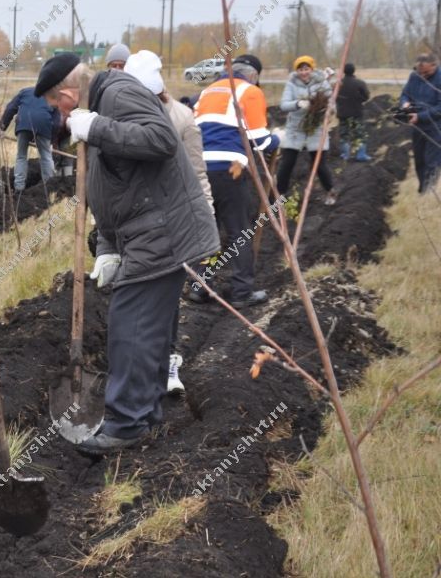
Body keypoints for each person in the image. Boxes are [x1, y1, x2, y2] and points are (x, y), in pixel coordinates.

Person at [43, 58, 218, 456]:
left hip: (164, 233)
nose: (62, 116)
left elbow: (160, 140)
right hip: (146, 233)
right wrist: (106, 249)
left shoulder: (118, 93)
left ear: (68, 95)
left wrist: (96, 128)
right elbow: (113, 194)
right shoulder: (102, 106)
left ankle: (125, 424)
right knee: (148, 329)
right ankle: (146, 412)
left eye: (58, 107)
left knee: (131, 326)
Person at [124, 49, 213, 395]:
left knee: (168, 297)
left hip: (174, 223)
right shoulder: (123, 117)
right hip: (135, 223)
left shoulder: (181, 118)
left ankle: (169, 363)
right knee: (136, 296)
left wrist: (206, 219)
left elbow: (198, 172)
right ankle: (139, 366)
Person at [190, 54, 280, 309]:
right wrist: (277, 139)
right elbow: (260, 142)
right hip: (230, 170)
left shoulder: (207, 92)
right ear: (253, 76)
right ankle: (242, 291)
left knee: (208, 230)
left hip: (198, 169)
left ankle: (199, 286)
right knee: (239, 230)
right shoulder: (249, 91)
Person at [277, 55, 337, 204]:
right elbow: (283, 104)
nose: (304, 72)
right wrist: (298, 104)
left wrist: (329, 111)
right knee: (287, 162)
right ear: (297, 71)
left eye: (306, 69)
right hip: (295, 128)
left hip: (315, 127)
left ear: (312, 68)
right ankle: (279, 195)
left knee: (319, 163)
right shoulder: (291, 83)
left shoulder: (322, 83)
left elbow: (331, 102)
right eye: (300, 69)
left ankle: (330, 191)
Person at [0, 82, 61, 192]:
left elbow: (10, 108)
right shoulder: (52, 96)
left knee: (21, 156)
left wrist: (2, 127)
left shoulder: (25, 92)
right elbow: (57, 123)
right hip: (43, 126)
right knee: (46, 156)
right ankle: (49, 187)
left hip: (23, 124)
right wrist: (51, 140)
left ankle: (18, 187)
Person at [399, 53, 441, 194]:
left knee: (432, 161)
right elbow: (405, 93)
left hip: (436, 127)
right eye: (420, 72)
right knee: (419, 160)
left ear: (435, 66)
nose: (422, 75)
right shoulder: (414, 76)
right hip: (417, 126)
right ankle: (423, 188)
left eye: (426, 72)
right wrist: (405, 103)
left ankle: (429, 193)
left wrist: (421, 116)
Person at [336, 63, 371, 162]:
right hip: (356, 112)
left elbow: (335, 97)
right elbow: (366, 96)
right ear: (354, 71)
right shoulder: (360, 83)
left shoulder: (339, 83)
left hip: (342, 113)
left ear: (344, 71)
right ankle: (361, 154)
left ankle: (345, 155)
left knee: (344, 134)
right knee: (359, 134)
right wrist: (358, 99)